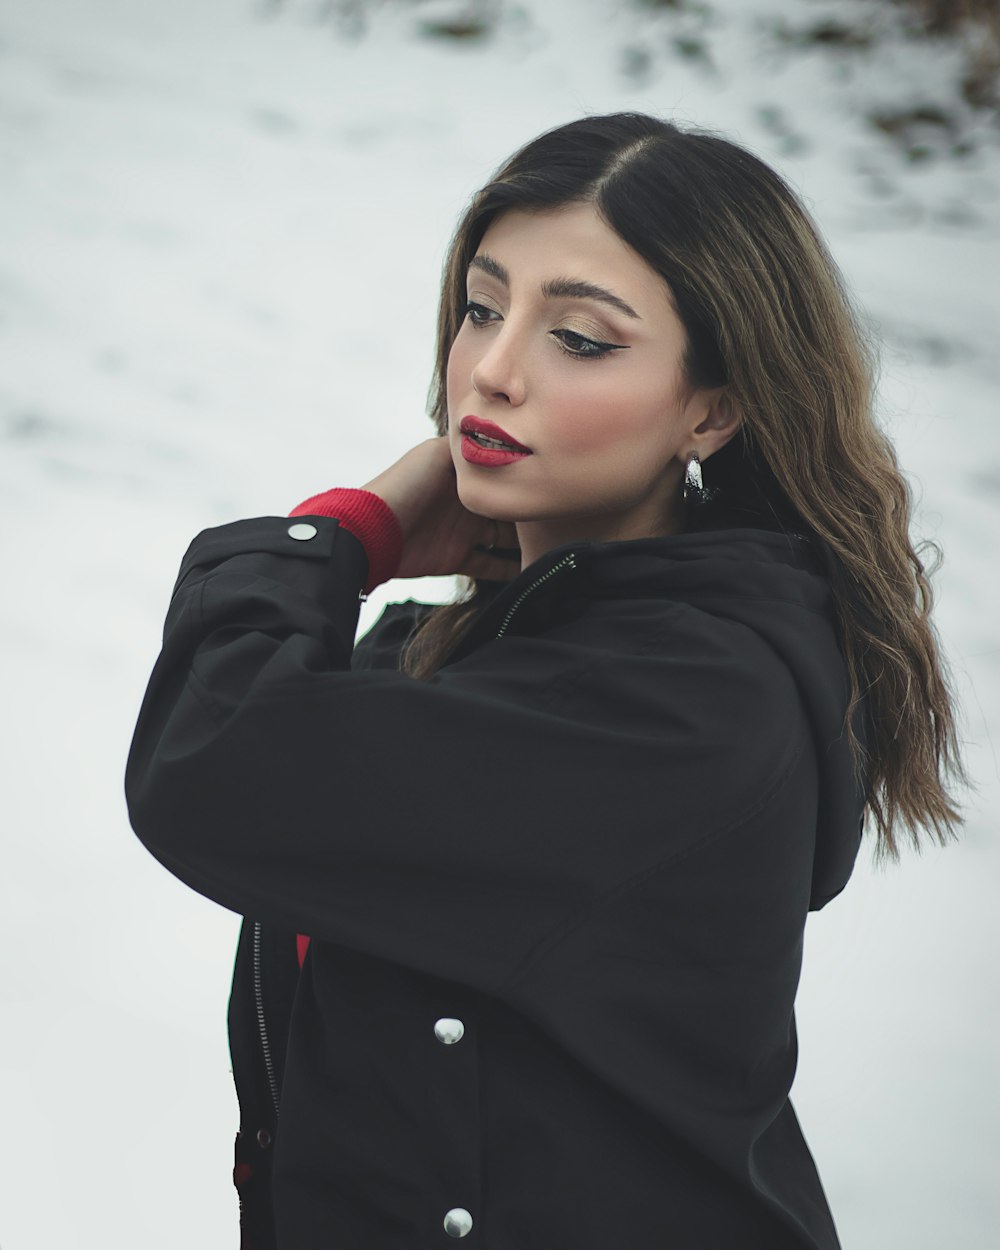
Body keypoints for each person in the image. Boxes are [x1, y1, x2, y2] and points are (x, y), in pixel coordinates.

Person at [125, 112, 964, 1249]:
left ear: (712, 408)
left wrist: (338, 534)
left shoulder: (690, 701)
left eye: (579, 337)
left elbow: (210, 762)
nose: (493, 370)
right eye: (482, 306)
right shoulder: (457, 661)